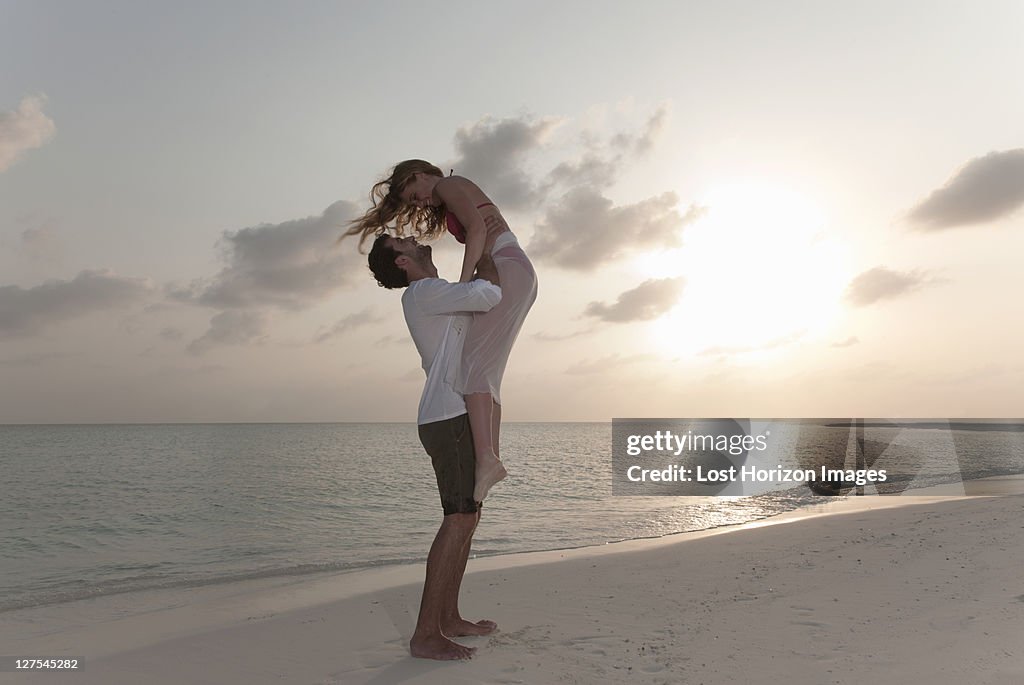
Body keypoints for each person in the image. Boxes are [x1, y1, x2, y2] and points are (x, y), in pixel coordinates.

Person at [347, 160, 538, 502]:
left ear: (420, 175)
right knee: (485, 370)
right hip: (513, 267)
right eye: (413, 202)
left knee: (475, 368)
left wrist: (465, 283)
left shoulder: (449, 185)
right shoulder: (448, 194)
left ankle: (487, 460)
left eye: (414, 194)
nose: (419, 202)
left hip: (507, 265)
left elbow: (478, 231)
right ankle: (489, 459)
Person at [366, 232, 501, 660]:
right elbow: (488, 295)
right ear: (402, 262)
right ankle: (426, 633)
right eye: (401, 241)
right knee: (458, 519)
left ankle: (448, 618)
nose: (412, 238)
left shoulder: (433, 294)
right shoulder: (424, 291)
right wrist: (490, 253)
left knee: (469, 517)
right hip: (448, 417)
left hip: (453, 414)